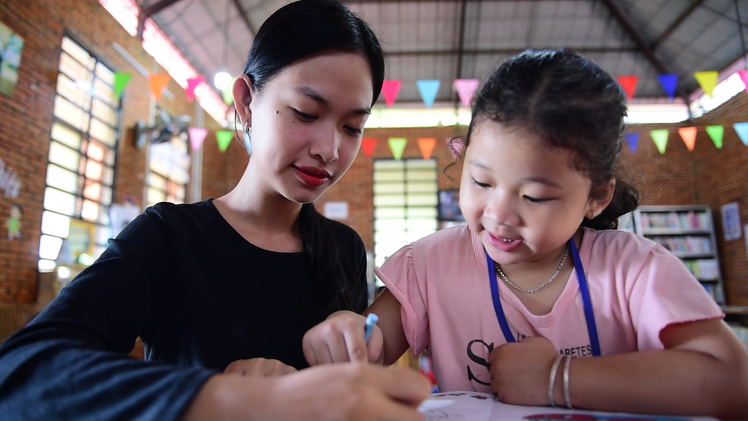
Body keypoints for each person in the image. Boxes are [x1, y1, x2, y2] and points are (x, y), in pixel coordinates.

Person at [0, 0, 430, 420]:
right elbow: (21, 369)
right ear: (245, 101)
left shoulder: (344, 249)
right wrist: (229, 399)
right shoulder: (167, 237)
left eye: (352, 126)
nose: (329, 149)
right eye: (306, 112)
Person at [302, 48, 748, 418]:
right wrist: (346, 336)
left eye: (534, 196)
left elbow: (732, 381)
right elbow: (372, 347)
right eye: (480, 182)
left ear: (596, 196)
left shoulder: (632, 268)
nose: (499, 214)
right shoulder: (429, 264)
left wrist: (557, 378)